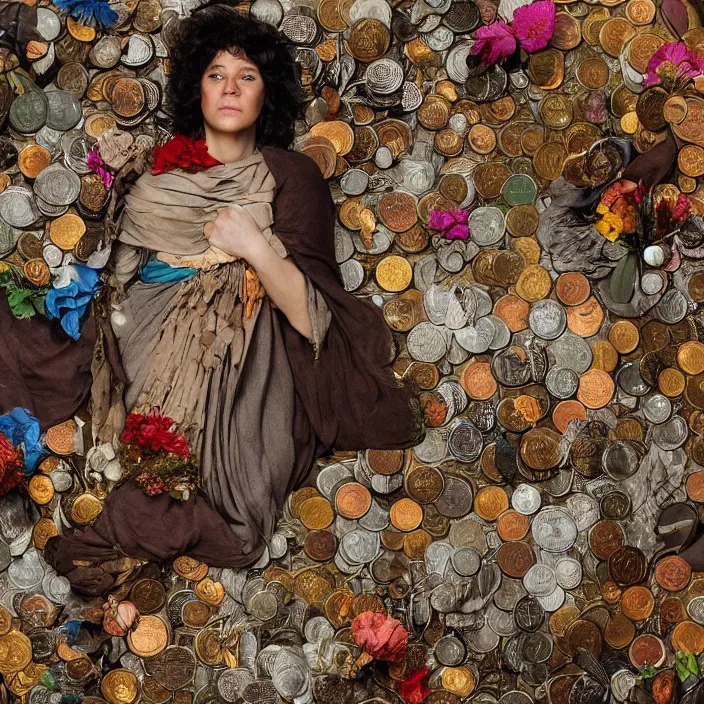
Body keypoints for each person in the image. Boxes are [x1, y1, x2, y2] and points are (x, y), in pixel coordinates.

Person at [44, 4, 424, 596]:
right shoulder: (154, 181)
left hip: (254, 348)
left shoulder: (291, 177)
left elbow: (314, 318)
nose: (229, 88)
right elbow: (117, 285)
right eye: (216, 73)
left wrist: (252, 246)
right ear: (195, 87)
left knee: (243, 491)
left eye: (246, 76)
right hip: (150, 341)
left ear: (264, 93)